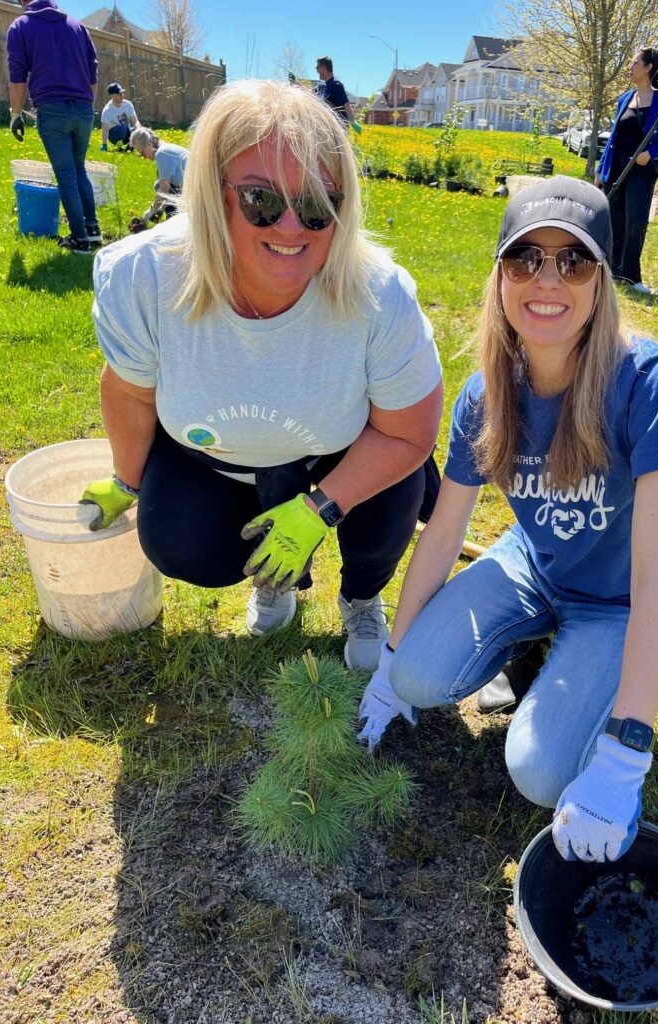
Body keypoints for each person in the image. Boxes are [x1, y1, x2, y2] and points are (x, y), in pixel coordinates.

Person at [357, 176, 658, 864]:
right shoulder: (486, 393)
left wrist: (626, 754)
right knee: (419, 678)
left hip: (617, 599)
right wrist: (394, 660)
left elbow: (656, 583)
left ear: (602, 280)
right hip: (535, 561)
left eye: (573, 261)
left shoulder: (653, 385)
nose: (546, 278)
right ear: (499, 276)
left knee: (540, 772)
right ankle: (527, 641)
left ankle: (591, 688)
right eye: (525, 258)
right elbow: (441, 538)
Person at [79, 80, 443, 671]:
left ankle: (361, 596)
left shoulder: (380, 295)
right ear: (211, 193)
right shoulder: (142, 278)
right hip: (216, 461)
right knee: (178, 541)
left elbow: (408, 434)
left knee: (389, 501)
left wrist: (321, 507)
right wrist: (125, 480)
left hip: (341, 455)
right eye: (260, 200)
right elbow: (129, 391)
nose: (292, 228)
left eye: (319, 205)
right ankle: (272, 579)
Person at [7, 0, 100, 254]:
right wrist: (86, 104)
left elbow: (17, 76)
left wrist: (15, 115)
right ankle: (92, 230)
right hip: (84, 108)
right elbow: (93, 72)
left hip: (52, 109)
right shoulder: (78, 26)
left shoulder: (21, 26)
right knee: (79, 169)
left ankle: (80, 240)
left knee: (66, 175)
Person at [595, 47, 658, 295]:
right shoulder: (625, 98)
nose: (630, 67)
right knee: (614, 221)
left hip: (641, 170)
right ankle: (612, 271)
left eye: (634, 63)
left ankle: (631, 276)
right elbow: (614, 138)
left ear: (648, 67)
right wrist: (601, 169)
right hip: (618, 167)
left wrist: (650, 154)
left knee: (635, 222)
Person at [130, 127, 189, 224]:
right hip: (190, 187)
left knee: (159, 186)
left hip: (199, 191)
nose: (143, 157)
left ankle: (174, 222)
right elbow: (168, 188)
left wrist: (151, 211)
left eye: (142, 152)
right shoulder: (165, 148)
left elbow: (164, 190)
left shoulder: (162, 153)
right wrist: (160, 209)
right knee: (158, 184)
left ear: (149, 144)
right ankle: (174, 218)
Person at [314, 56, 354, 125]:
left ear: (323, 68)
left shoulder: (336, 85)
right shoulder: (323, 86)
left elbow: (346, 105)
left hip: (337, 130)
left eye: (317, 68)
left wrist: (352, 122)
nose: (317, 71)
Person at [100, 82, 140, 151]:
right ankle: (119, 147)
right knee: (123, 128)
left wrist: (139, 130)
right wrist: (104, 145)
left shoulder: (128, 104)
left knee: (136, 130)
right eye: (119, 94)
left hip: (126, 131)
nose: (122, 96)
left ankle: (130, 147)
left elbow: (135, 121)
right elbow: (105, 130)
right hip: (114, 135)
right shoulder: (107, 110)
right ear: (112, 96)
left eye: (122, 93)